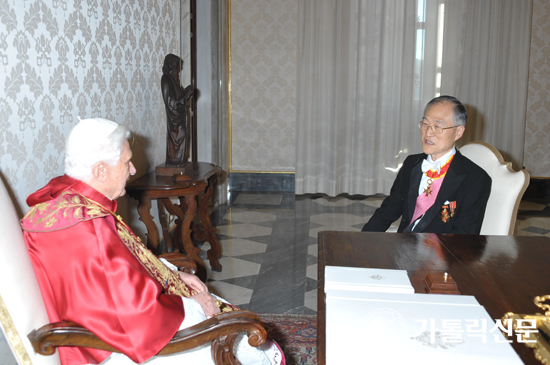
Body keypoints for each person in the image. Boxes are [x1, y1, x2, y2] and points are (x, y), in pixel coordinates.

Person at [21, 118, 284, 365]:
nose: (133, 169)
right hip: (112, 348)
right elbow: (136, 317)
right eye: (126, 163)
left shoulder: (66, 201)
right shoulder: (89, 228)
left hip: (101, 326)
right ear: (100, 170)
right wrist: (194, 306)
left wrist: (173, 274)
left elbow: (111, 273)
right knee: (247, 340)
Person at [362, 95, 491, 234]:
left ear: (458, 132)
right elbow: (388, 211)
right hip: (403, 247)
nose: (428, 133)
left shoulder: (475, 179)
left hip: (442, 252)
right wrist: (361, 241)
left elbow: (464, 236)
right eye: (425, 124)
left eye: (438, 126)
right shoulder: (412, 164)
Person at [161, 53, 194, 166]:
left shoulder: (173, 80)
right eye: (176, 68)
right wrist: (183, 99)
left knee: (183, 137)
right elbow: (170, 102)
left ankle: (179, 161)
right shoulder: (166, 79)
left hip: (180, 115)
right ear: (170, 67)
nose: (177, 72)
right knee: (178, 137)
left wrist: (186, 93)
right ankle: (174, 161)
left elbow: (177, 97)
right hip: (174, 117)